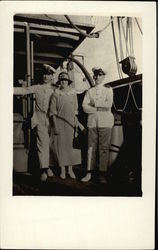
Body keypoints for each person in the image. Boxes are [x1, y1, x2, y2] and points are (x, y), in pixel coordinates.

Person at [14, 64, 57, 181]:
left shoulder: (55, 89)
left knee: (51, 144)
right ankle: (44, 169)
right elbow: (24, 90)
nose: (45, 76)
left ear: (52, 77)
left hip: (53, 120)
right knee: (42, 144)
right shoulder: (37, 87)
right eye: (44, 74)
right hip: (39, 118)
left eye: (48, 74)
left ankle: (49, 166)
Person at [81, 67, 114, 183]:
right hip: (93, 122)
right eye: (96, 75)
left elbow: (108, 104)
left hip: (105, 122)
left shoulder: (108, 90)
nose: (97, 77)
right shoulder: (89, 91)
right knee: (91, 148)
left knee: (104, 148)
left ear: (104, 77)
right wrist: (98, 108)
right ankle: (89, 172)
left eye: (100, 75)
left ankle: (102, 174)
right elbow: (84, 107)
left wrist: (94, 104)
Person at [49, 71, 81, 179]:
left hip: (70, 123)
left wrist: (76, 124)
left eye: (65, 80)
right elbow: (52, 112)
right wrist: (55, 126)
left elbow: (76, 110)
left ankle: (70, 169)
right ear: (59, 82)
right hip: (59, 123)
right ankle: (62, 170)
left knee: (70, 146)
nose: (64, 82)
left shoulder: (73, 93)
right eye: (62, 80)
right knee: (61, 147)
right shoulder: (55, 94)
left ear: (68, 82)